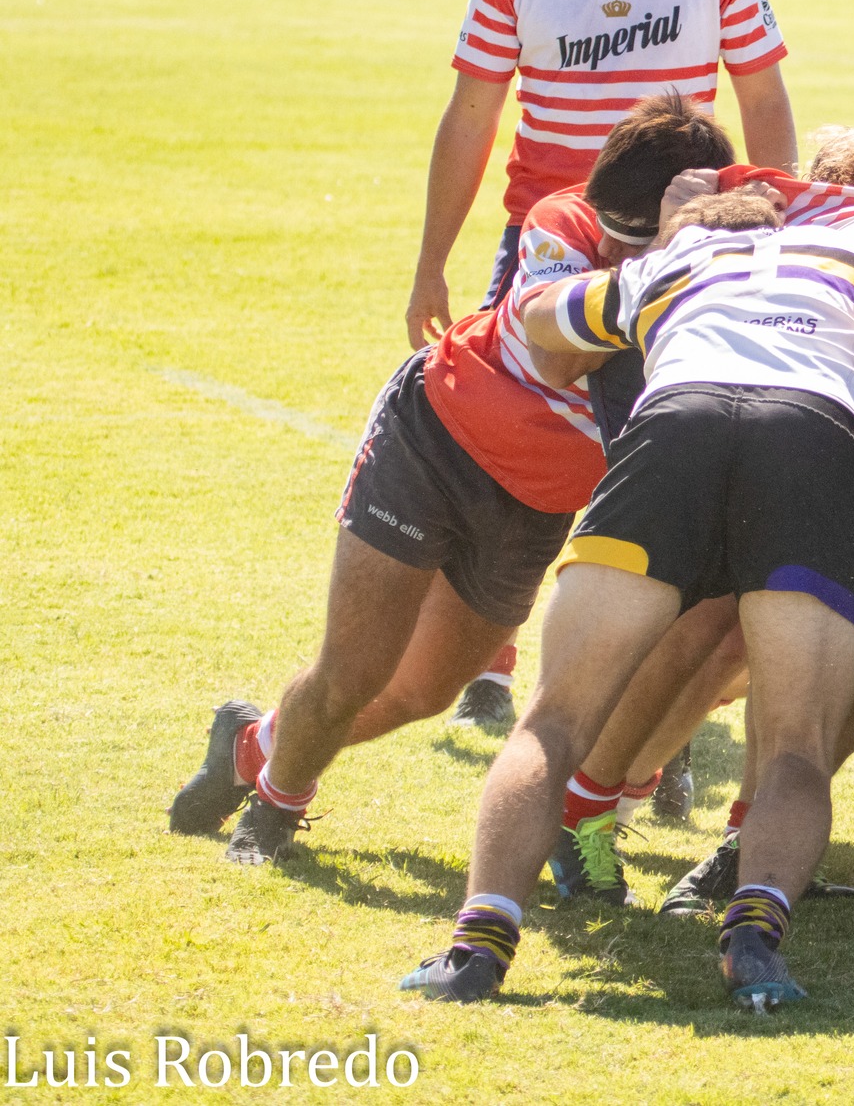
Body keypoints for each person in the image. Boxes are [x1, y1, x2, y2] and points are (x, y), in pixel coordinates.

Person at [167, 92, 727, 862]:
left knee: (421, 692)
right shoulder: (562, 222)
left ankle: (249, 744)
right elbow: (562, 355)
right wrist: (663, 267)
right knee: (353, 671)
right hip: (435, 441)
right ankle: (274, 808)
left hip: (535, 508)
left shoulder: (718, 267)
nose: (620, 253)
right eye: (621, 238)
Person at [402, 179, 854, 1011]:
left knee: (554, 719)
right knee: (798, 744)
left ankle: (476, 948)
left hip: (679, 421)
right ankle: (753, 940)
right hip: (811, 431)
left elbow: (536, 319)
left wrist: (647, 261)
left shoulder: (669, 262)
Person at [407, 0, 797, 728]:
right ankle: (488, 654)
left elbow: (762, 93)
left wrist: (773, 219)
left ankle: (645, 702)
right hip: (548, 244)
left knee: (665, 466)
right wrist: (428, 263)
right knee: (509, 457)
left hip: (679, 246)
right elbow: (469, 118)